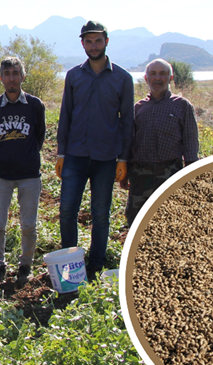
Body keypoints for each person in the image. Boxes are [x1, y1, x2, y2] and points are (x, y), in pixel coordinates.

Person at [56, 20, 134, 282]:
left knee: (100, 213)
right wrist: (61, 153)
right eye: (88, 41)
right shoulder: (74, 75)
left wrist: (123, 158)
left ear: (106, 42)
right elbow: (65, 115)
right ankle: (70, 262)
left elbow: (127, 121)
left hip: (106, 158)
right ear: (82, 44)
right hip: (75, 156)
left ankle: (96, 264)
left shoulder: (122, 78)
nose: (93, 46)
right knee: (67, 210)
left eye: (98, 41)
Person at [0, 57, 46, 285]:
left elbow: (40, 135)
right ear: (1, 78)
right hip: (0, 175)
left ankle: (25, 265)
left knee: (28, 224)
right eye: (7, 73)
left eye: (16, 73)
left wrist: (26, 156)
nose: (11, 78)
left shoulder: (35, 105)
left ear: (23, 76)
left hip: (29, 174)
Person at [123, 59, 199, 228]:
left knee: (171, 222)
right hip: (140, 175)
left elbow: (190, 140)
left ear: (170, 77)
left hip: (170, 172)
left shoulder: (182, 106)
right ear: (146, 78)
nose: (157, 78)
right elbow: (129, 141)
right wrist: (125, 170)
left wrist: (192, 172)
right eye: (153, 74)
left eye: (162, 74)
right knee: (136, 221)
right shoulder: (138, 108)